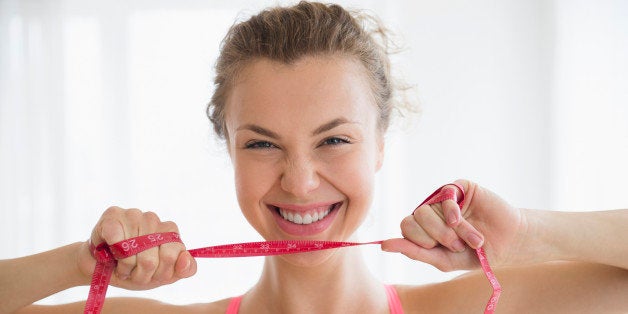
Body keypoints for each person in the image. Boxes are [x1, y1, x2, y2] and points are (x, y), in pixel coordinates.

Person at [2, 2, 628, 313]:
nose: (299, 183)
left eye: (333, 139)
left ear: (381, 141)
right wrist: (80, 262)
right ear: (229, 147)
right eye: (262, 143)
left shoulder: (478, 308)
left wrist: (528, 235)